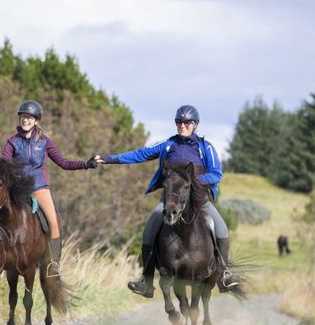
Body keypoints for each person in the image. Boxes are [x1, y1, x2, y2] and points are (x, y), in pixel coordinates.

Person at [94, 105, 239, 297]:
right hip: (170, 202)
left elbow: (216, 174)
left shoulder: (206, 148)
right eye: (179, 122)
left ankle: (223, 274)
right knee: (149, 229)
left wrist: (193, 181)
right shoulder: (168, 145)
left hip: (198, 201)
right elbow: (140, 154)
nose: (182, 125)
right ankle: (146, 280)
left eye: (187, 122)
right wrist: (109, 159)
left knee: (220, 228)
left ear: (195, 125)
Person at [0, 100, 98, 277]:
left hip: (39, 188)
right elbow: (4, 164)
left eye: (29, 117)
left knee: (53, 222)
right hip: (17, 191)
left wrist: (85, 164)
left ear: (36, 120)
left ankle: (52, 265)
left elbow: (64, 163)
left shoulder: (45, 142)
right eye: (23, 117)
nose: (25, 120)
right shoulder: (11, 142)